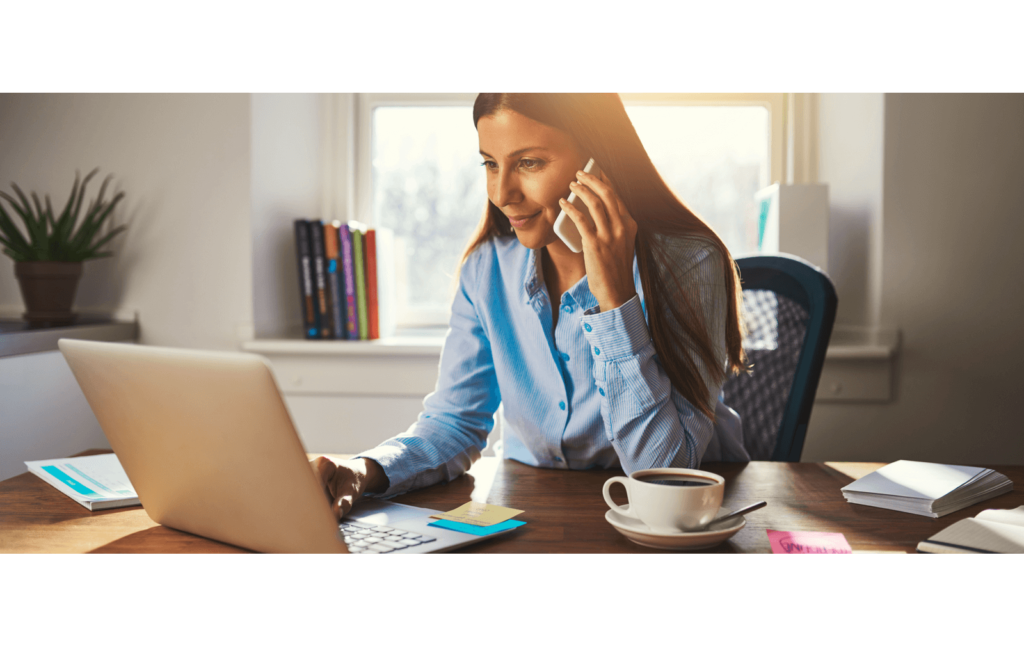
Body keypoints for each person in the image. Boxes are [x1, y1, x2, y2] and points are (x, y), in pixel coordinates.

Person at [312, 92, 751, 520]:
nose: (502, 193)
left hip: (675, 525)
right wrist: (366, 470)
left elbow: (664, 477)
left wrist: (615, 299)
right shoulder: (487, 270)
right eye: (489, 163)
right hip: (533, 513)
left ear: (599, 161)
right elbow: (454, 423)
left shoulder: (691, 264)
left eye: (528, 163)